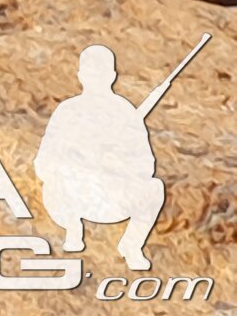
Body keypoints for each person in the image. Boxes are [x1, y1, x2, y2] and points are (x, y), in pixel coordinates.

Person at [35, 45, 168, 269]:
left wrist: (117, 163)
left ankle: (131, 246)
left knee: (154, 189)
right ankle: (73, 229)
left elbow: (146, 165)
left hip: (112, 197)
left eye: (101, 73)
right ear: (81, 76)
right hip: (72, 196)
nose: (95, 78)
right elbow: (44, 161)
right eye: (90, 72)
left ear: (112, 76)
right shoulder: (67, 111)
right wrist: (74, 162)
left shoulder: (125, 112)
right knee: (53, 181)